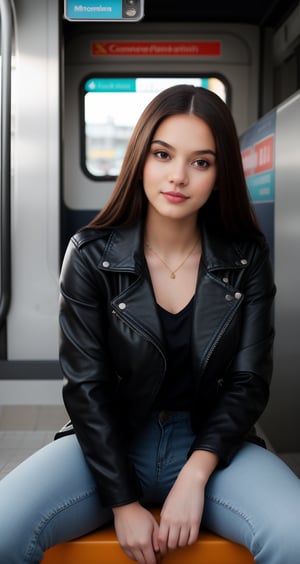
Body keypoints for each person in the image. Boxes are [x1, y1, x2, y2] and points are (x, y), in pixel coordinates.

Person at [1, 84, 300, 564]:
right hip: (109, 439)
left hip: (214, 445)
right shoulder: (90, 254)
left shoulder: (247, 256)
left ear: (221, 175)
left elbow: (247, 382)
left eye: (201, 162)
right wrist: (122, 502)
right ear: (141, 157)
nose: (178, 176)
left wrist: (195, 475)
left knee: (295, 534)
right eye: (163, 154)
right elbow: (86, 387)